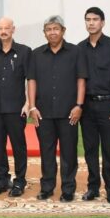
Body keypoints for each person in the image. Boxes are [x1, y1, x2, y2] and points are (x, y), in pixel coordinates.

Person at [27, 16, 87, 202]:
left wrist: (79, 105)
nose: (52, 32)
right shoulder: (36, 54)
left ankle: (68, 188)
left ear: (63, 31)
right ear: (44, 32)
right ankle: (47, 187)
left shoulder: (76, 52)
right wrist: (32, 106)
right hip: (43, 112)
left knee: (69, 152)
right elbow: (31, 81)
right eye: (48, 29)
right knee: (47, 151)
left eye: (56, 29)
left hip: (69, 112)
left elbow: (81, 80)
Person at [78, 7, 110, 204]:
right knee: (90, 149)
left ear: (102, 22)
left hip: (108, 105)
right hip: (87, 107)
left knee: (108, 150)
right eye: (88, 19)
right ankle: (93, 187)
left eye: (95, 19)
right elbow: (77, 80)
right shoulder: (80, 48)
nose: (91, 23)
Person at [0, 17, 30, 197]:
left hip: (16, 109)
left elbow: (30, 79)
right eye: (0, 28)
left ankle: (19, 181)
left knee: (18, 147)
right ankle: (1, 180)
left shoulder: (24, 51)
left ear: (13, 29)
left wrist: (28, 103)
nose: (3, 31)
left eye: (7, 28)